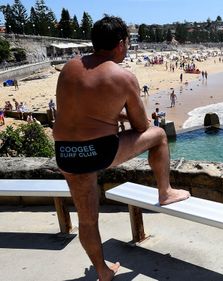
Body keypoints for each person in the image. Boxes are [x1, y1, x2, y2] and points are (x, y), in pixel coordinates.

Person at [52, 16, 190, 281]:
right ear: (119, 45)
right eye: (126, 43)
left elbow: (81, 114)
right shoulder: (122, 76)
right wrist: (127, 116)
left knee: (88, 219)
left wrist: (114, 116)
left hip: (66, 153)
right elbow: (141, 126)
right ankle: (165, 192)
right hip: (100, 151)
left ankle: (103, 271)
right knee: (159, 135)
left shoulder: (69, 68)